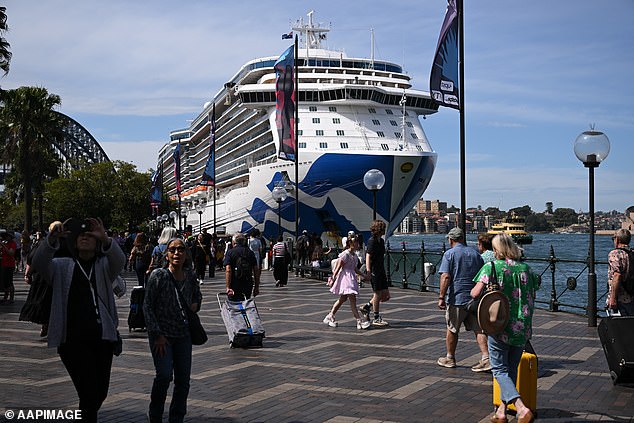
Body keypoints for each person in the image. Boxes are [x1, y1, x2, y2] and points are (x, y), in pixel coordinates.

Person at [30, 218, 126, 423]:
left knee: (99, 393)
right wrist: (51, 239)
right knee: (89, 393)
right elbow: (38, 262)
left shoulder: (104, 266)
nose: (85, 237)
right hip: (72, 341)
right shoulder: (61, 266)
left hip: (103, 339)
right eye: (81, 235)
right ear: (73, 242)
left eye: (90, 235)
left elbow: (120, 261)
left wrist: (106, 239)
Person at [471, 233, 539, 423]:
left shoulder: (492, 267)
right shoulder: (526, 268)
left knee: (499, 370)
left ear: (497, 250)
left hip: (500, 325)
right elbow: (537, 286)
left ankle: (520, 407)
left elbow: (475, 293)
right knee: (511, 369)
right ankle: (501, 412)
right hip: (523, 325)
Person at [144, 237, 202, 423]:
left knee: (183, 381)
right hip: (162, 336)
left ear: (186, 254)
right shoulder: (158, 275)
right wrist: (157, 335)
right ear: (167, 254)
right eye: (172, 250)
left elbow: (197, 297)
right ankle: (155, 415)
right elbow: (147, 306)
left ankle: (177, 417)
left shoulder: (190, 276)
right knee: (164, 375)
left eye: (181, 249)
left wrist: (195, 304)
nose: (177, 253)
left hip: (183, 335)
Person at [437, 227, 489, 371]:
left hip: (457, 298)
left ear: (451, 239)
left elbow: (445, 276)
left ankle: (450, 358)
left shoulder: (449, 254)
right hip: (474, 298)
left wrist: (441, 296)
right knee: (479, 330)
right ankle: (486, 358)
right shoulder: (476, 254)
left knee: (453, 328)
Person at [323, 234, 371, 330]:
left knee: (343, 299)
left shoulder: (354, 256)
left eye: (358, 242)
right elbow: (338, 266)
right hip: (346, 278)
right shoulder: (346, 254)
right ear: (350, 243)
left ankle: (330, 315)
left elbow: (354, 268)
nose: (358, 244)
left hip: (350, 277)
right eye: (356, 242)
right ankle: (359, 321)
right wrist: (333, 277)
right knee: (353, 300)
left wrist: (363, 275)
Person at [359, 220, 390, 327]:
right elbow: (368, 256)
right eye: (383, 228)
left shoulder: (381, 241)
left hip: (381, 269)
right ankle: (376, 318)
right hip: (374, 270)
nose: (384, 230)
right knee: (377, 294)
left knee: (385, 295)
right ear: (379, 229)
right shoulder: (371, 241)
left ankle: (366, 307)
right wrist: (368, 271)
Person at [224, 232, 260, 300]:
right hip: (247, 283)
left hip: (234, 283)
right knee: (246, 303)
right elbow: (256, 270)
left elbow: (228, 270)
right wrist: (256, 287)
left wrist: (228, 287)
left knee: (234, 305)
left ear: (234, 241)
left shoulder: (230, 252)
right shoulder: (250, 252)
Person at [607, 228, 633, 316]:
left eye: (613, 238)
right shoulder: (632, 253)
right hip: (631, 296)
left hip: (620, 298)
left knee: (618, 326)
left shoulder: (615, 254)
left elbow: (617, 276)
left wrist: (612, 298)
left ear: (617, 239)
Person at [0, 231, 17, 304]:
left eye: (7, 236)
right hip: (4, 264)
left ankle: (11, 298)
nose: (6, 237)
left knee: (9, 282)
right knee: (5, 282)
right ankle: (5, 297)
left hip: (9, 265)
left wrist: (3, 246)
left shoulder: (12, 244)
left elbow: (11, 253)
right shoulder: (6, 243)